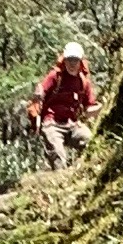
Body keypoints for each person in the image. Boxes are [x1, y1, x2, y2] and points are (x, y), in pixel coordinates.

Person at [27, 40, 96, 169]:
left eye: (75, 60)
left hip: (72, 124)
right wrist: (38, 94)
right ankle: (60, 180)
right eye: (69, 59)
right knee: (58, 156)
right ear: (64, 60)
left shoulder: (83, 82)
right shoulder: (55, 76)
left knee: (91, 142)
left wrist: (100, 109)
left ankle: (84, 171)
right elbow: (42, 90)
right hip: (52, 123)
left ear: (80, 62)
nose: (72, 63)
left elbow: (90, 105)